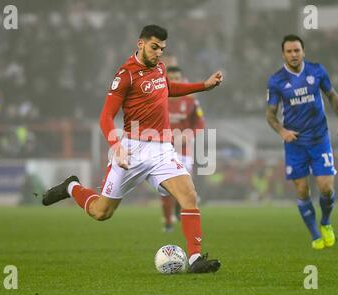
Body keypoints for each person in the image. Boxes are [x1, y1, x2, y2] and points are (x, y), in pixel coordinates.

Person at [42, 25, 222, 273]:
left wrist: (203, 85)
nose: (159, 53)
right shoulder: (125, 75)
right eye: (154, 47)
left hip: (162, 151)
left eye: (162, 48)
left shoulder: (158, 67)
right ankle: (71, 187)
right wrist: (116, 146)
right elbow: (105, 117)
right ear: (140, 44)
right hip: (132, 150)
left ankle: (195, 260)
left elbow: (169, 88)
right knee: (101, 212)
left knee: (189, 196)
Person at [266, 35, 338, 250]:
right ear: (283, 54)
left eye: (297, 50)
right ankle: (315, 236)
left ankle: (326, 222)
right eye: (289, 51)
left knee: (326, 187)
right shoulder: (276, 81)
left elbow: (332, 96)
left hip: (319, 138)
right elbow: (271, 115)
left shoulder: (316, 71)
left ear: (303, 51)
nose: (294, 55)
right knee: (302, 190)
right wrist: (282, 131)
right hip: (295, 143)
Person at [161, 66, 205, 232]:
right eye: (171, 79)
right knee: (165, 189)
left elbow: (199, 124)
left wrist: (188, 135)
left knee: (184, 187)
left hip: (184, 150)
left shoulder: (190, 101)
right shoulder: (158, 99)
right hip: (162, 149)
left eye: (177, 78)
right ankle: (168, 222)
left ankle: (180, 209)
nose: (175, 81)